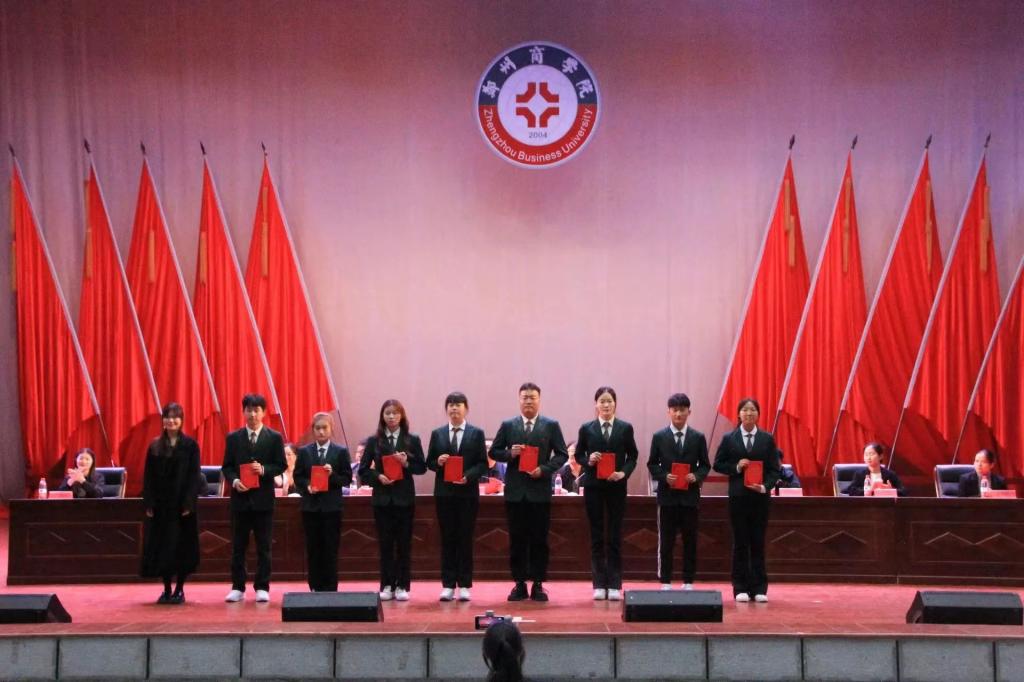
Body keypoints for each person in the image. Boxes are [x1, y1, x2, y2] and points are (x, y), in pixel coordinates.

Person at [490, 382, 569, 602]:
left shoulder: (550, 425)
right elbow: (494, 451)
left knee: (539, 540)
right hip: (515, 493)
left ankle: (538, 584)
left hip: (539, 491)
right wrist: (510, 453)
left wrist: (544, 469)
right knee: (517, 539)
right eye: (524, 397)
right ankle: (519, 583)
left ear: (539, 400)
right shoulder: (508, 425)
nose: (528, 401)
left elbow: (562, 454)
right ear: (519, 399)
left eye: (532, 397)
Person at [712, 397, 780, 603]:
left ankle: (759, 588)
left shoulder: (767, 439)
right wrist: (736, 467)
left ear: (758, 415)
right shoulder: (729, 438)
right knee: (740, 542)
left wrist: (765, 486)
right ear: (739, 414)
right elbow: (718, 464)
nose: (749, 413)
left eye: (752, 410)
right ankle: (740, 586)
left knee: (758, 542)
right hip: (738, 498)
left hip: (759, 498)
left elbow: (774, 470)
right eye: (745, 410)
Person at [358, 399, 426, 601]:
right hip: (382, 500)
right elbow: (363, 470)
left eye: (395, 413)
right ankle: (387, 584)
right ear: (382, 416)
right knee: (385, 544)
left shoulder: (411, 439)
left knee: (404, 544)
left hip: (404, 500)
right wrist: (377, 476)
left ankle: (403, 585)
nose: (391, 417)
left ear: (401, 415)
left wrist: (406, 463)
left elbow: (421, 467)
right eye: (387, 413)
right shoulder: (374, 441)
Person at [221, 393, 286, 603]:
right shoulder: (233, 438)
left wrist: (264, 470)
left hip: (263, 501)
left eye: (256, 410)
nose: (252, 414)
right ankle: (237, 587)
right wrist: (234, 481)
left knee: (263, 547)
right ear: (243, 412)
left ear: (263, 412)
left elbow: (281, 465)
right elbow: (227, 467)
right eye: (248, 410)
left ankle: (262, 586)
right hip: (240, 501)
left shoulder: (274, 437)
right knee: (238, 547)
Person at [575, 387, 639, 601]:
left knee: (614, 535)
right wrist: (588, 460)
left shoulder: (625, 428)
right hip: (593, 487)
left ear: (615, 404)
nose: (606, 405)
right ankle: (598, 584)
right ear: (596, 404)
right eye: (602, 401)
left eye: (609, 401)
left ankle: (614, 584)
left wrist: (623, 473)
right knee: (596, 535)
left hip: (616, 487)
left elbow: (633, 456)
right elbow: (578, 455)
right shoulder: (587, 428)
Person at [426, 392, 488, 602]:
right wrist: (438, 462)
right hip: (444, 494)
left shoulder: (476, 433)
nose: (454, 408)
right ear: (446, 409)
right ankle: (448, 584)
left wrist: (468, 476)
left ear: (466, 409)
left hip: (467, 494)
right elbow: (429, 462)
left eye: (458, 405)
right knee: (447, 538)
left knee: (465, 538)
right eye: (451, 405)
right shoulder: (438, 434)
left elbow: (482, 463)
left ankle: (464, 584)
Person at [647, 392, 710, 591]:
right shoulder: (659, 437)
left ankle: (688, 581)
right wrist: (664, 476)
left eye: (682, 410)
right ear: (669, 412)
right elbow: (652, 464)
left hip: (690, 498)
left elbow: (705, 465)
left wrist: (696, 476)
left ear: (689, 412)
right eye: (675, 410)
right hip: (667, 498)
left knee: (690, 541)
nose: (678, 414)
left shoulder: (698, 437)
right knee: (666, 541)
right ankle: (665, 580)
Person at [140, 402, 202, 604]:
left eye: (175, 417)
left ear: (181, 420)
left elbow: (194, 477)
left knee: (181, 548)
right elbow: (148, 477)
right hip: (161, 507)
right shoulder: (155, 446)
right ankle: (166, 589)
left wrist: (189, 503)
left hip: (182, 508)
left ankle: (180, 589)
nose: (171, 421)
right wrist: (149, 502)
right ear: (163, 421)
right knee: (163, 549)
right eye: (167, 417)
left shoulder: (190, 446)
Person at [293, 412, 352, 592]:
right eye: (317, 428)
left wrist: (332, 474)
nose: (321, 431)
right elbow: (298, 476)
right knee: (313, 548)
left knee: (330, 549)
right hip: (310, 508)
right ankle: (314, 586)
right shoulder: (304, 452)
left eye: (324, 428)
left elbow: (347, 479)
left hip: (331, 508)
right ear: (313, 430)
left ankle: (330, 587)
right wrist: (307, 486)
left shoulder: (340, 451)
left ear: (331, 429)